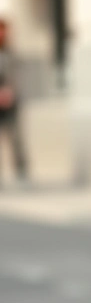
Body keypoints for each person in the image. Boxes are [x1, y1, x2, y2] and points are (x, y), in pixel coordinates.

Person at [0, 18, 28, 188]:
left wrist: (11, 92)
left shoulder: (11, 53)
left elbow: (17, 76)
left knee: (16, 138)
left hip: (11, 102)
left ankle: (21, 172)